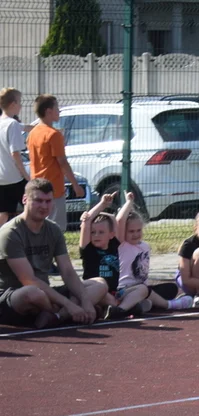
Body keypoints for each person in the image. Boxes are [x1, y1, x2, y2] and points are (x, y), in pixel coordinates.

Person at [0, 178, 104, 328]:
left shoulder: (53, 230)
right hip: (14, 294)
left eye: (48, 201)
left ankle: (57, 317)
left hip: (46, 292)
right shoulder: (10, 233)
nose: (44, 206)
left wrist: (86, 301)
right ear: (24, 199)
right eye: (38, 200)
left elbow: (67, 271)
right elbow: (29, 280)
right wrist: (69, 304)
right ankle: (63, 312)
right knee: (32, 293)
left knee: (99, 284)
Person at [114, 193, 195, 313]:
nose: (136, 234)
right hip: (123, 290)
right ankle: (169, 305)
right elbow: (120, 220)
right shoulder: (122, 246)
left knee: (170, 289)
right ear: (123, 232)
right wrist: (129, 202)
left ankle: (137, 306)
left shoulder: (145, 246)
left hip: (143, 289)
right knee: (144, 291)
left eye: (138, 230)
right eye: (131, 231)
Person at [78, 191, 138, 320]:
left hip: (116, 292)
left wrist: (129, 202)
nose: (96, 235)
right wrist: (102, 204)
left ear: (111, 234)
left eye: (101, 232)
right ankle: (122, 308)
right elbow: (87, 222)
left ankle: (116, 308)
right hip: (98, 291)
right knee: (107, 296)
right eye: (93, 232)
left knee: (142, 289)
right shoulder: (88, 250)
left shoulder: (115, 245)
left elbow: (120, 220)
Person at [27, 94, 84, 229]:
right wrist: (75, 185)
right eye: (57, 107)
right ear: (48, 111)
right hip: (53, 189)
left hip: (36, 186)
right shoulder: (54, 134)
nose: (59, 111)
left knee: (39, 227)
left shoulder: (33, 133)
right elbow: (62, 162)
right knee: (56, 229)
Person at [0, 88, 29, 226]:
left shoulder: (3, 122)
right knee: (31, 207)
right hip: (14, 178)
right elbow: (15, 153)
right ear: (13, 104)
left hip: (2, 178)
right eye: (19, 102)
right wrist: (26, 176)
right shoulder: (12, 124)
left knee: (4, 213)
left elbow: (24, 127)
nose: (21, 106)